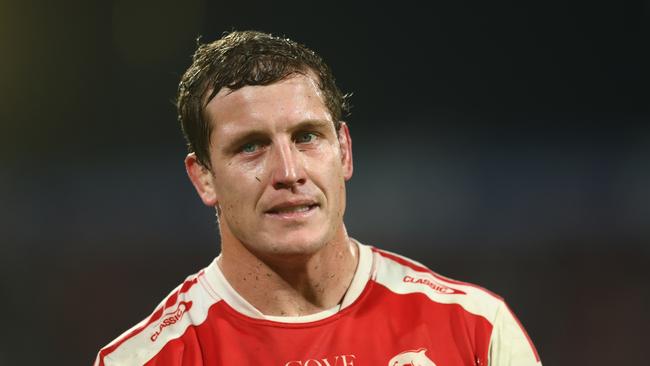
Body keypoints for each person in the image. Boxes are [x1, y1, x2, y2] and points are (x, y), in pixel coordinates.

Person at [94, 30, 541, 366]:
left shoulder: (476, 331)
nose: (289, 173)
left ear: (344, 151)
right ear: (204, 178)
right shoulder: (145, 360)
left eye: (307, 137)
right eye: (251, 146)